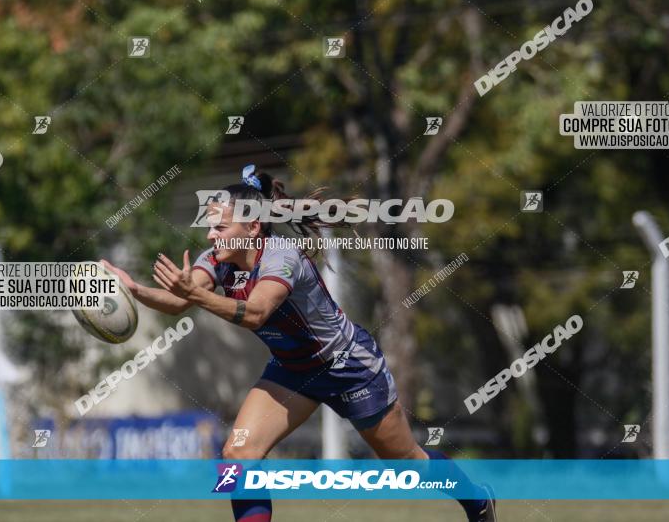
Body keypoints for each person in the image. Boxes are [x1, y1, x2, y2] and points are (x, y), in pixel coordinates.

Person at [101, 164, 495, 521]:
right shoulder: (216, 259)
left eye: (219, 227)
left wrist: (196, 294)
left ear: (252, 228)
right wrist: (132, 288)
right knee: (239, 455)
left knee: (409, 465)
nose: (210, 235)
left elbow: (256, 313)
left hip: (349, 369)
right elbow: (175, 302)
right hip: (292, 372)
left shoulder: (282, 258)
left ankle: (477, 501)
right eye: (210, 226)